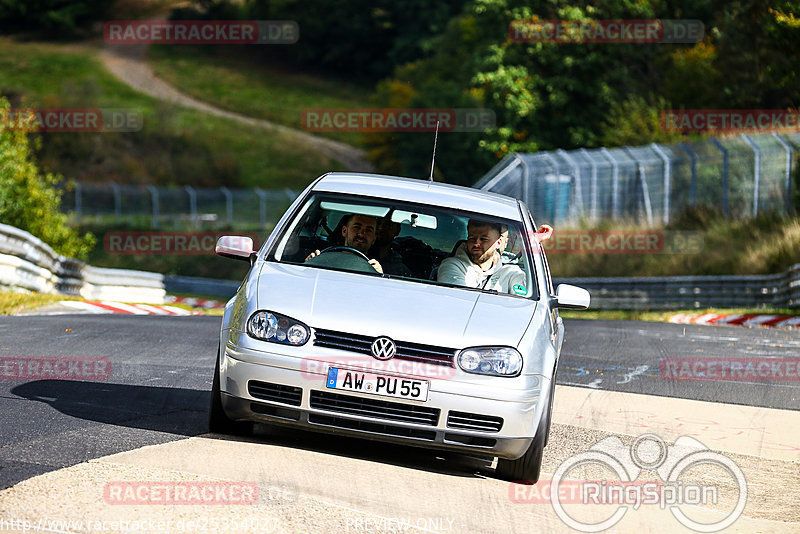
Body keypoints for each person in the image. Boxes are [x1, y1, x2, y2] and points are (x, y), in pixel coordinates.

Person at [436, 219, 526, 294]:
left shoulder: (511, 272)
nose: (476, 243)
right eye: (472, 238)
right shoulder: (451, 266)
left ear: (498, 243)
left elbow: (523, 303)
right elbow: (459, 300)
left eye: (483, 239)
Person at [305, 213, 384, 273]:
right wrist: (308, 264)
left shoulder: (376, 268)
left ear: (374, 238)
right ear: (344, 231)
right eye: (356, 227)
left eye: (368, 230)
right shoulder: (323, 259)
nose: (361, 234)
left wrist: (379, 276)